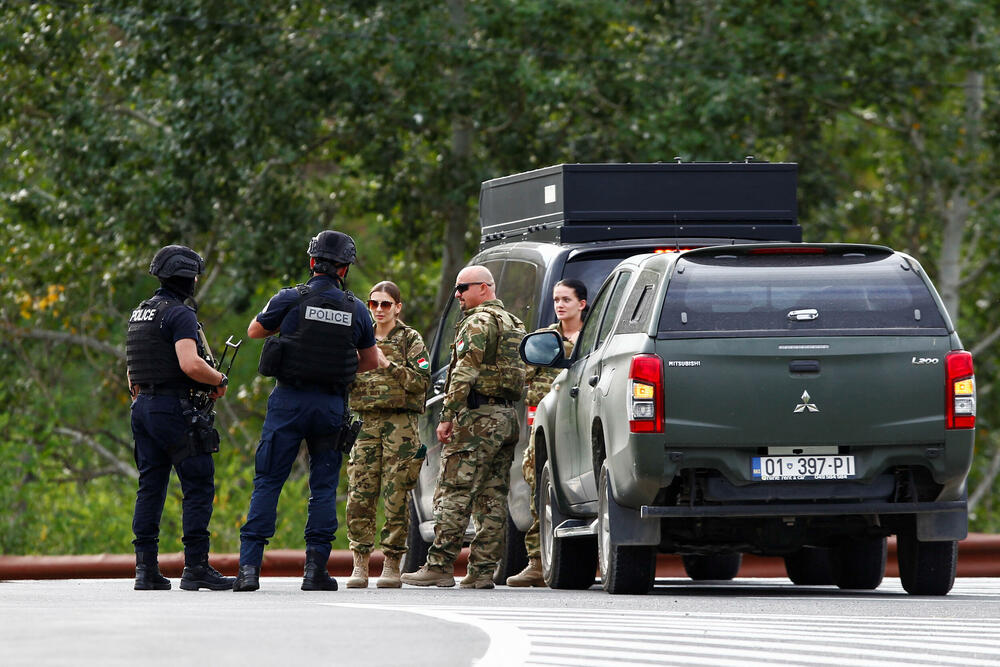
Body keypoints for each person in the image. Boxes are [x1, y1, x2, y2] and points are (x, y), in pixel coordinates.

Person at [233, 230, 378, 592]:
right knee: (324, 487)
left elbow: (254, 331)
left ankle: (249, 570)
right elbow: (371, 361)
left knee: (268, 481)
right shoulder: (356, 308)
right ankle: (315, 571)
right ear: (344, 269)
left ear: (313, 262)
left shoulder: (289, 298)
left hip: (289, 401)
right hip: (330, 405)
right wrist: (335, 366)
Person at [400, 266, 526, 589]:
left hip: (478, 418)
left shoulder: (477, 322)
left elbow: (463, 374)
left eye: (463, 288)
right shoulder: (515, 323)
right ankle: (482, 571)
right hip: (506, 417)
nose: (457, 295)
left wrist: (447, 415)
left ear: (484, 288)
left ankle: (440, 565)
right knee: (493, 495)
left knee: (455, 490)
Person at [126, 244, 234, 591]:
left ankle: (145, 570)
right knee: (198, 484)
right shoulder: (179, 314)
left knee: (150, 486)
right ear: (187, 278)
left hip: (143, 407)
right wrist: (219, 380)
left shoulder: (140, 313)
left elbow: (132, 373)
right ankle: (197, 567)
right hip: (174, 408)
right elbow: (189, 363)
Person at [345, 281, 430, 588]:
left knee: (396, 495)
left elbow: (421, 381)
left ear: (397, 307)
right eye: (373, 304)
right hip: (365, 423)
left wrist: (388, 364)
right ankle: (360, 562)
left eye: (385, 304)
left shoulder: (410, 339)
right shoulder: (358, 336)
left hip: (400, 426)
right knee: (360, 494)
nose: (379, 309)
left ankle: (392, 562)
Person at [506, 279, 587, 587]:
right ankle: (538, 561)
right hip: (545, 427)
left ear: (582, 303)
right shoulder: (544, 339)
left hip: (583, 424)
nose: (560, 304)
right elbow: (524, 372)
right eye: (556, 299)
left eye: (566, 299)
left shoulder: (594, 338)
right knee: (538, 488)